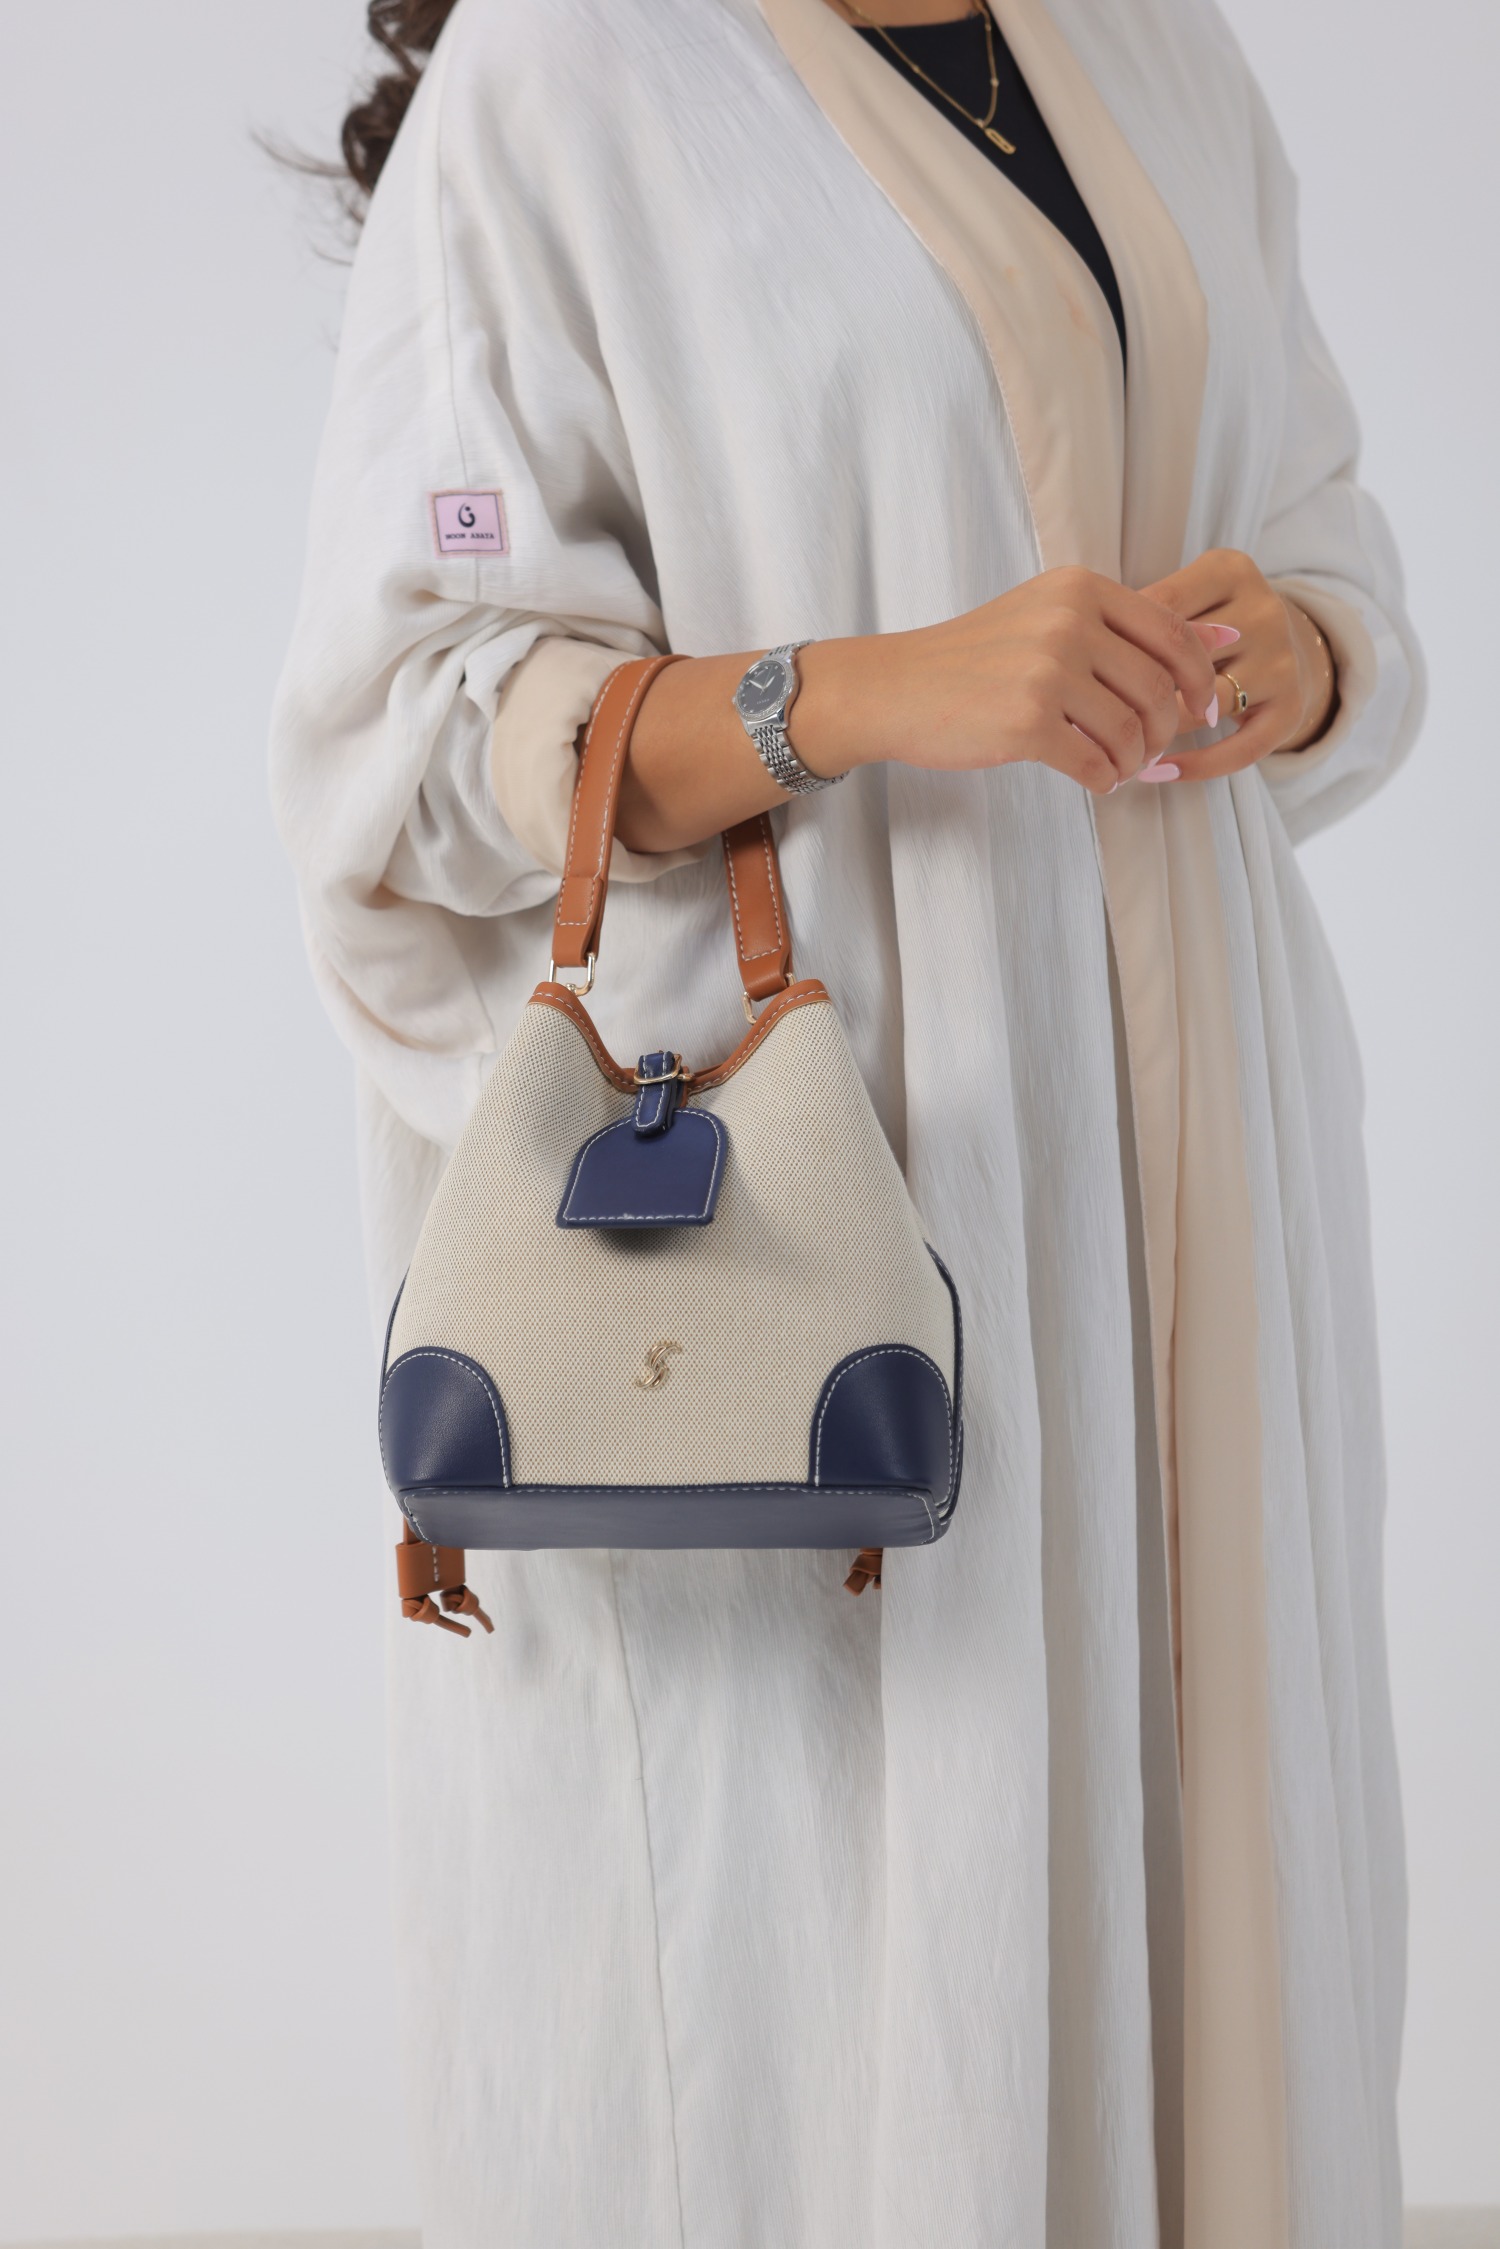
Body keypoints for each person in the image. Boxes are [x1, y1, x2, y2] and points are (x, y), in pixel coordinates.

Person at [270, 0, 1423, 2241]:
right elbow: (411, 724)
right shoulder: (565, 81)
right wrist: (866, 688)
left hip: (1194, 1194)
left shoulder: (1156, 46)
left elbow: (1321, 518)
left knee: (1207, 1897)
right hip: (818, 1215)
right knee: (843, 1976)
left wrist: (1304, 647)